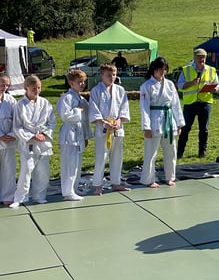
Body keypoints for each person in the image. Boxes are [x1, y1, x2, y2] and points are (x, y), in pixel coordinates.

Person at [10, 75, 56, 208]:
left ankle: (39, 196)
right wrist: (32, 136)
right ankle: (20, 197)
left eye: (39, 88)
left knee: (43, 170)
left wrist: (43, 133)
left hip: (43, 141)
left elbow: (51, 122)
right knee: (26, 170)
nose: (37, 90)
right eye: (33, 88)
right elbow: (17, 126)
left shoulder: (45, 103)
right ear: (26, 88)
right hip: (28, 142)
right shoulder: (20, 105)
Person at [139, 57, 185, 188]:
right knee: (151, 152)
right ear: (154, 69)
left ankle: (169, 177)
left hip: (169, 119)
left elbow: (175, 104)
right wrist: (146, 127)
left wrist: (179, 123)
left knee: (171, 151)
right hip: (154, 119)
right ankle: (149, 179)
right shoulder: (146, 86)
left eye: (164, 69)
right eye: (160, 69)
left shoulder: (170, 84)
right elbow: (144, 108)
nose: (162, 72)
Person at [89, 63, 131, 195]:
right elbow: (93, 109)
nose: (112, 77)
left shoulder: (120, 90)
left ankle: (116, 183)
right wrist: (103, 122)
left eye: (114, 74)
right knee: (101, 157)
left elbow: (124, 108)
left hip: (117, 127)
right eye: (108, 75)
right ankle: (98, 185)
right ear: (101, 75)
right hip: (103, 128)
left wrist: (119, 120)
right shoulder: (96, 91)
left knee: (117, 156)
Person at [176, 48, 219, 159]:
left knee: (204, 129)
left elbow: (218, 85)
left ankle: (202, 152)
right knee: (185, 129)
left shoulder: (212, 70)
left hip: (205, 103)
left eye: (203, 57)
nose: (201, 59)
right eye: (199, 57)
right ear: (194, 58)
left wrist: (215, 89)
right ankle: (179, 153)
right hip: (190, 104)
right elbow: (180, 86)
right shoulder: (186, 70)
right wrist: (191, 83)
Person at [57, 69, 93, 201]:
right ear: (71, 83)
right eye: (79, 82)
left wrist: (86, 135)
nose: (82, 84)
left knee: (77, 163)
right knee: (69, 164)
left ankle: (74, 188)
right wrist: (79, 109)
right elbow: (65, 115)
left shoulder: (82, 98)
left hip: (79, 133)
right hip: (69, 134)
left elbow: (86, 119)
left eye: (84, 81)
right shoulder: (66, 97)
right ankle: (67, 191)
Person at [0, 74, 17, 205]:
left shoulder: (10, 100)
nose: (4, 87)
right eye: (1, 85)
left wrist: (11, 134)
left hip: (9, 139)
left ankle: (8, 196)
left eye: (6, 85)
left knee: (9, 168)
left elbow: (17, 119)